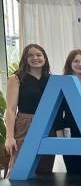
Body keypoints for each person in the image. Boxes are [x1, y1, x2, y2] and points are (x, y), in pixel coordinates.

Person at [4, 44, 54, 177]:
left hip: (47, 126)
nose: (35, 58)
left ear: (45, 58)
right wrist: (9, 136)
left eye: (38, 55)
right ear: (25, 59)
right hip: (25, 124)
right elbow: (10, 109)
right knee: (18, 167)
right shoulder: (16, 78)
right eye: (30, 55)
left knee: (45, 169)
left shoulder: (51, 79)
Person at [55, 49, 81, 175]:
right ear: (70, 63)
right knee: (74, 172)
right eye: (76, 61)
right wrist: (59, 132)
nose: (80, 64)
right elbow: (57, 111)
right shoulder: (61, 82)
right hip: (70, 131)